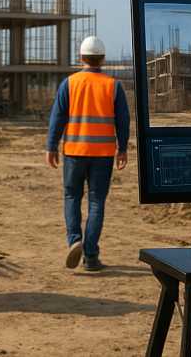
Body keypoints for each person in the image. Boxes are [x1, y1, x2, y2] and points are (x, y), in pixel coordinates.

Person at [46, 36, 131, 271]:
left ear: (81, 57)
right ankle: (91, 256)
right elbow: (123, 121)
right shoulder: (113, 86)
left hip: (74, 151)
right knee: (96, 202)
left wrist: (51, 146)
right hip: (103, 154)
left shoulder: (70, 83)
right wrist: (122, 149)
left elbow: (57, 117)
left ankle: (75, 240)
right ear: (102, 59)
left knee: (72, 197)